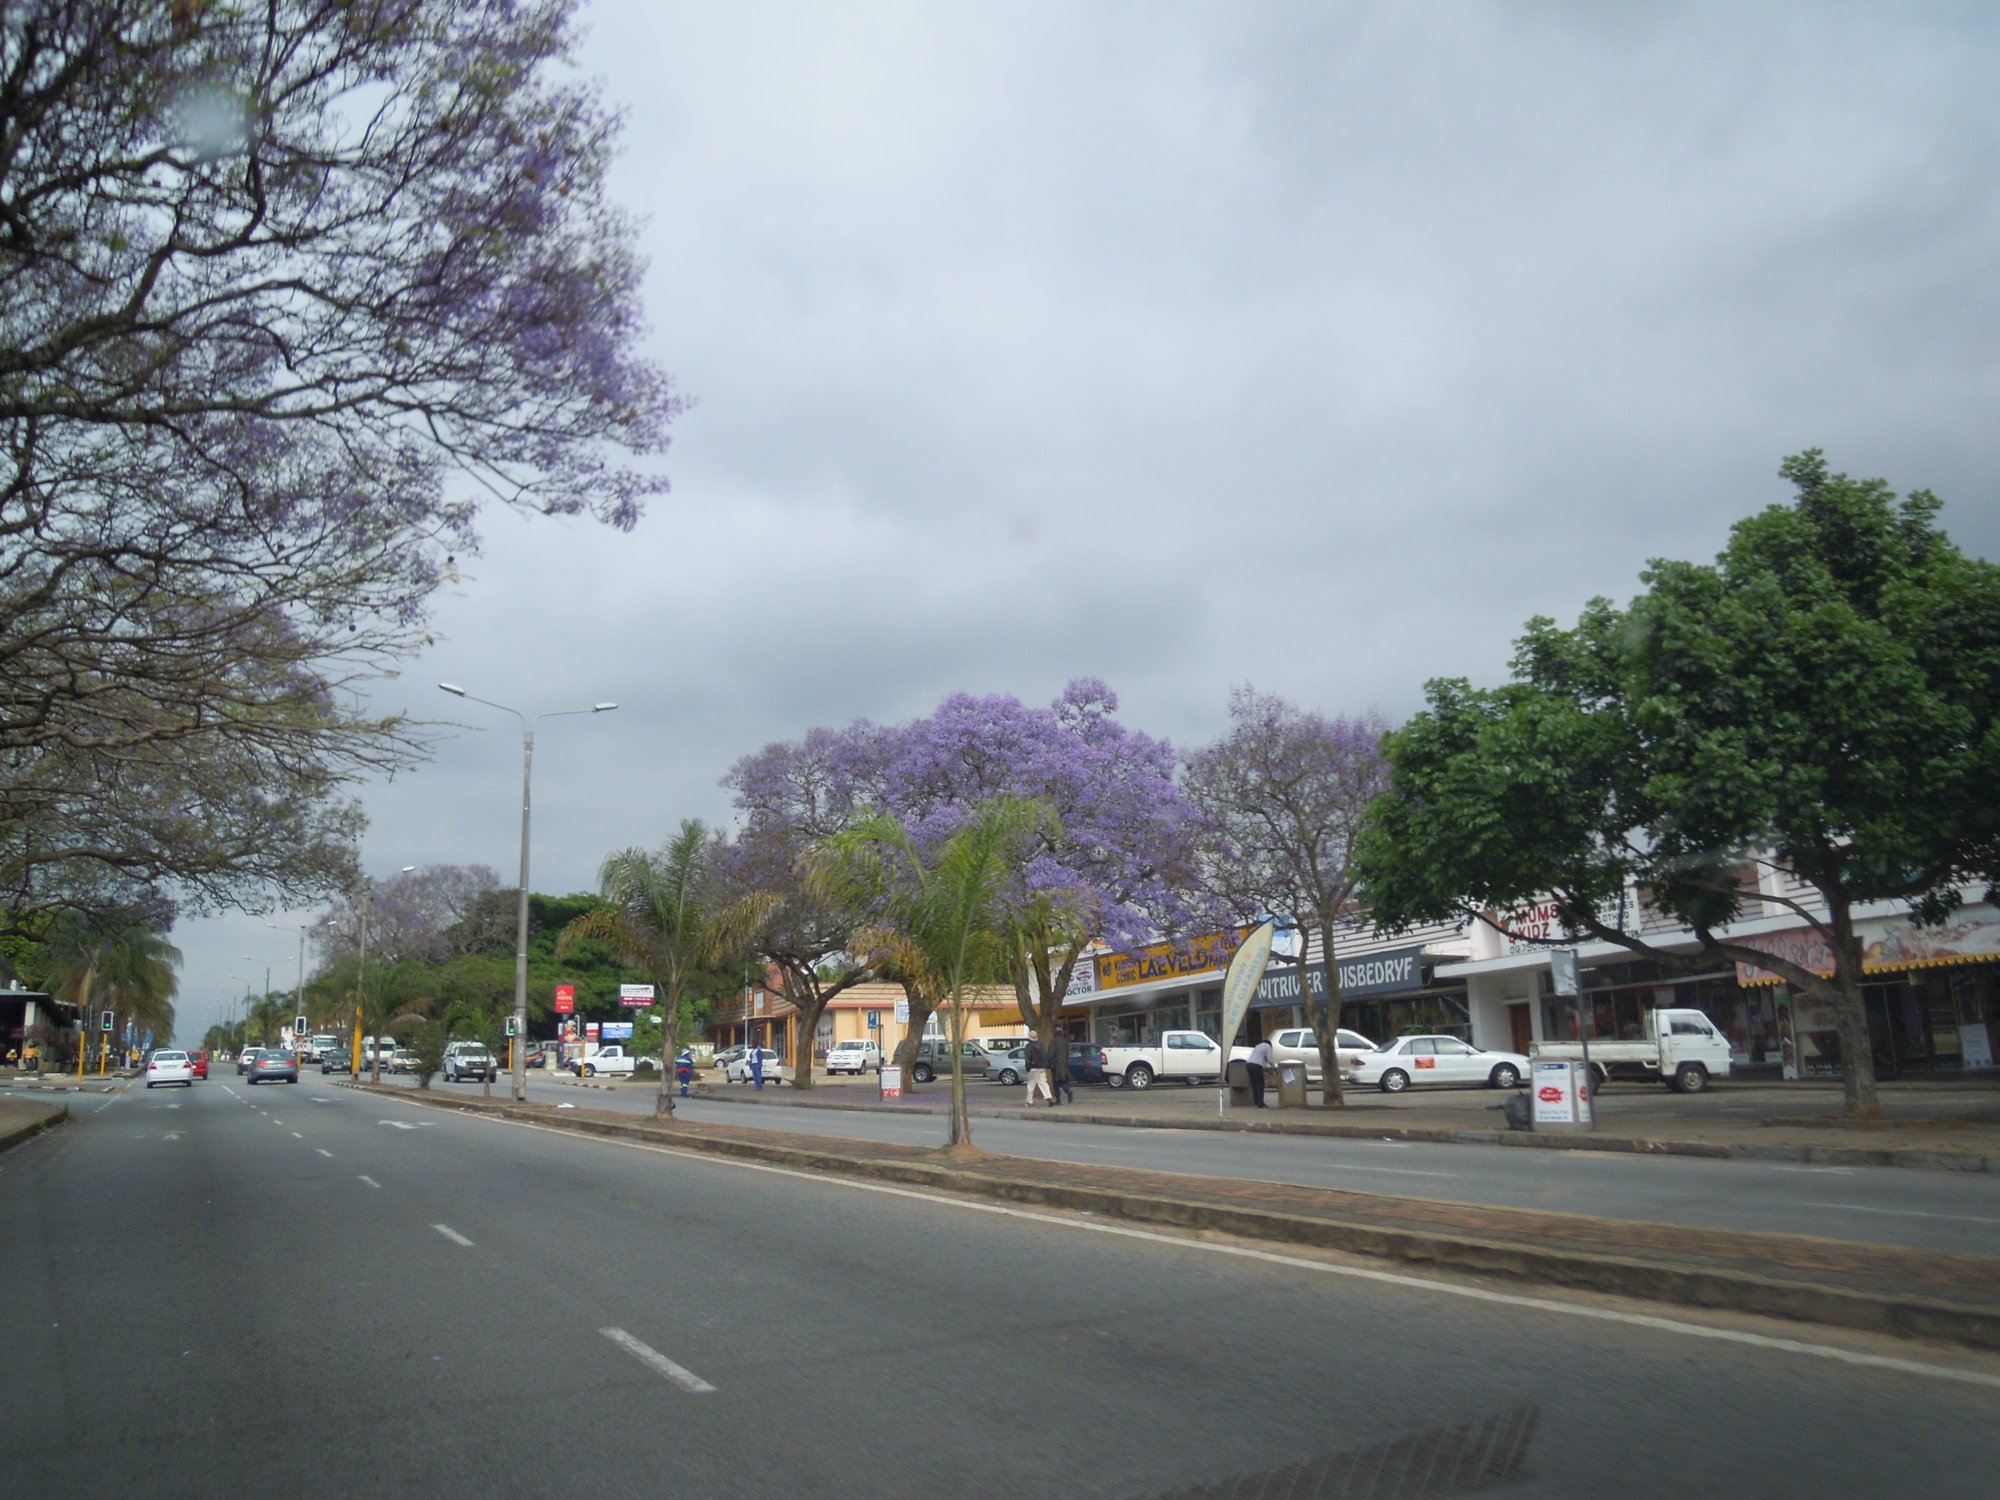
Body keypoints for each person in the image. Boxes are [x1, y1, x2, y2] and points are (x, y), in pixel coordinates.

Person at [1244, 1037, 1274, 1108]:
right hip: (1257, 1065)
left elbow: (1261, 1058)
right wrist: (1273, 1067)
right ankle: (1260, 1103)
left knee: (1254, 1084)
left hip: (1249, 1064)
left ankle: (1256, 1101)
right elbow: (1269, 1059)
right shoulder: (1268, 1047)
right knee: (1260, 1084)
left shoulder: (1258, 1046)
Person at [1022, 1037, 1053, 1105]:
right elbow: (1045, 1056)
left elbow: (1027, 1058)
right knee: (1043, 1083)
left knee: (1031, 1084)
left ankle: (1029, 1101)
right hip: (1042, 1067)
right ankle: (1049, 1098)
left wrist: (1028, 1067)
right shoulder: (1041, 1046)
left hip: (1033, 1068)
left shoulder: (1028, 1046)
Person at [1049, 1036, 1073, 1106]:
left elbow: (1051, 1053)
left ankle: (1058, 1100)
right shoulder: (1065, 1041)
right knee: (1063, 1080)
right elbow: (1067, 1053)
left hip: (1056, 1065)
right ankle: (1068, 1091)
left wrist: (1047, 1062)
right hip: (1064, 1065)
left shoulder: (1053, 1042)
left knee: (1056, 1083)